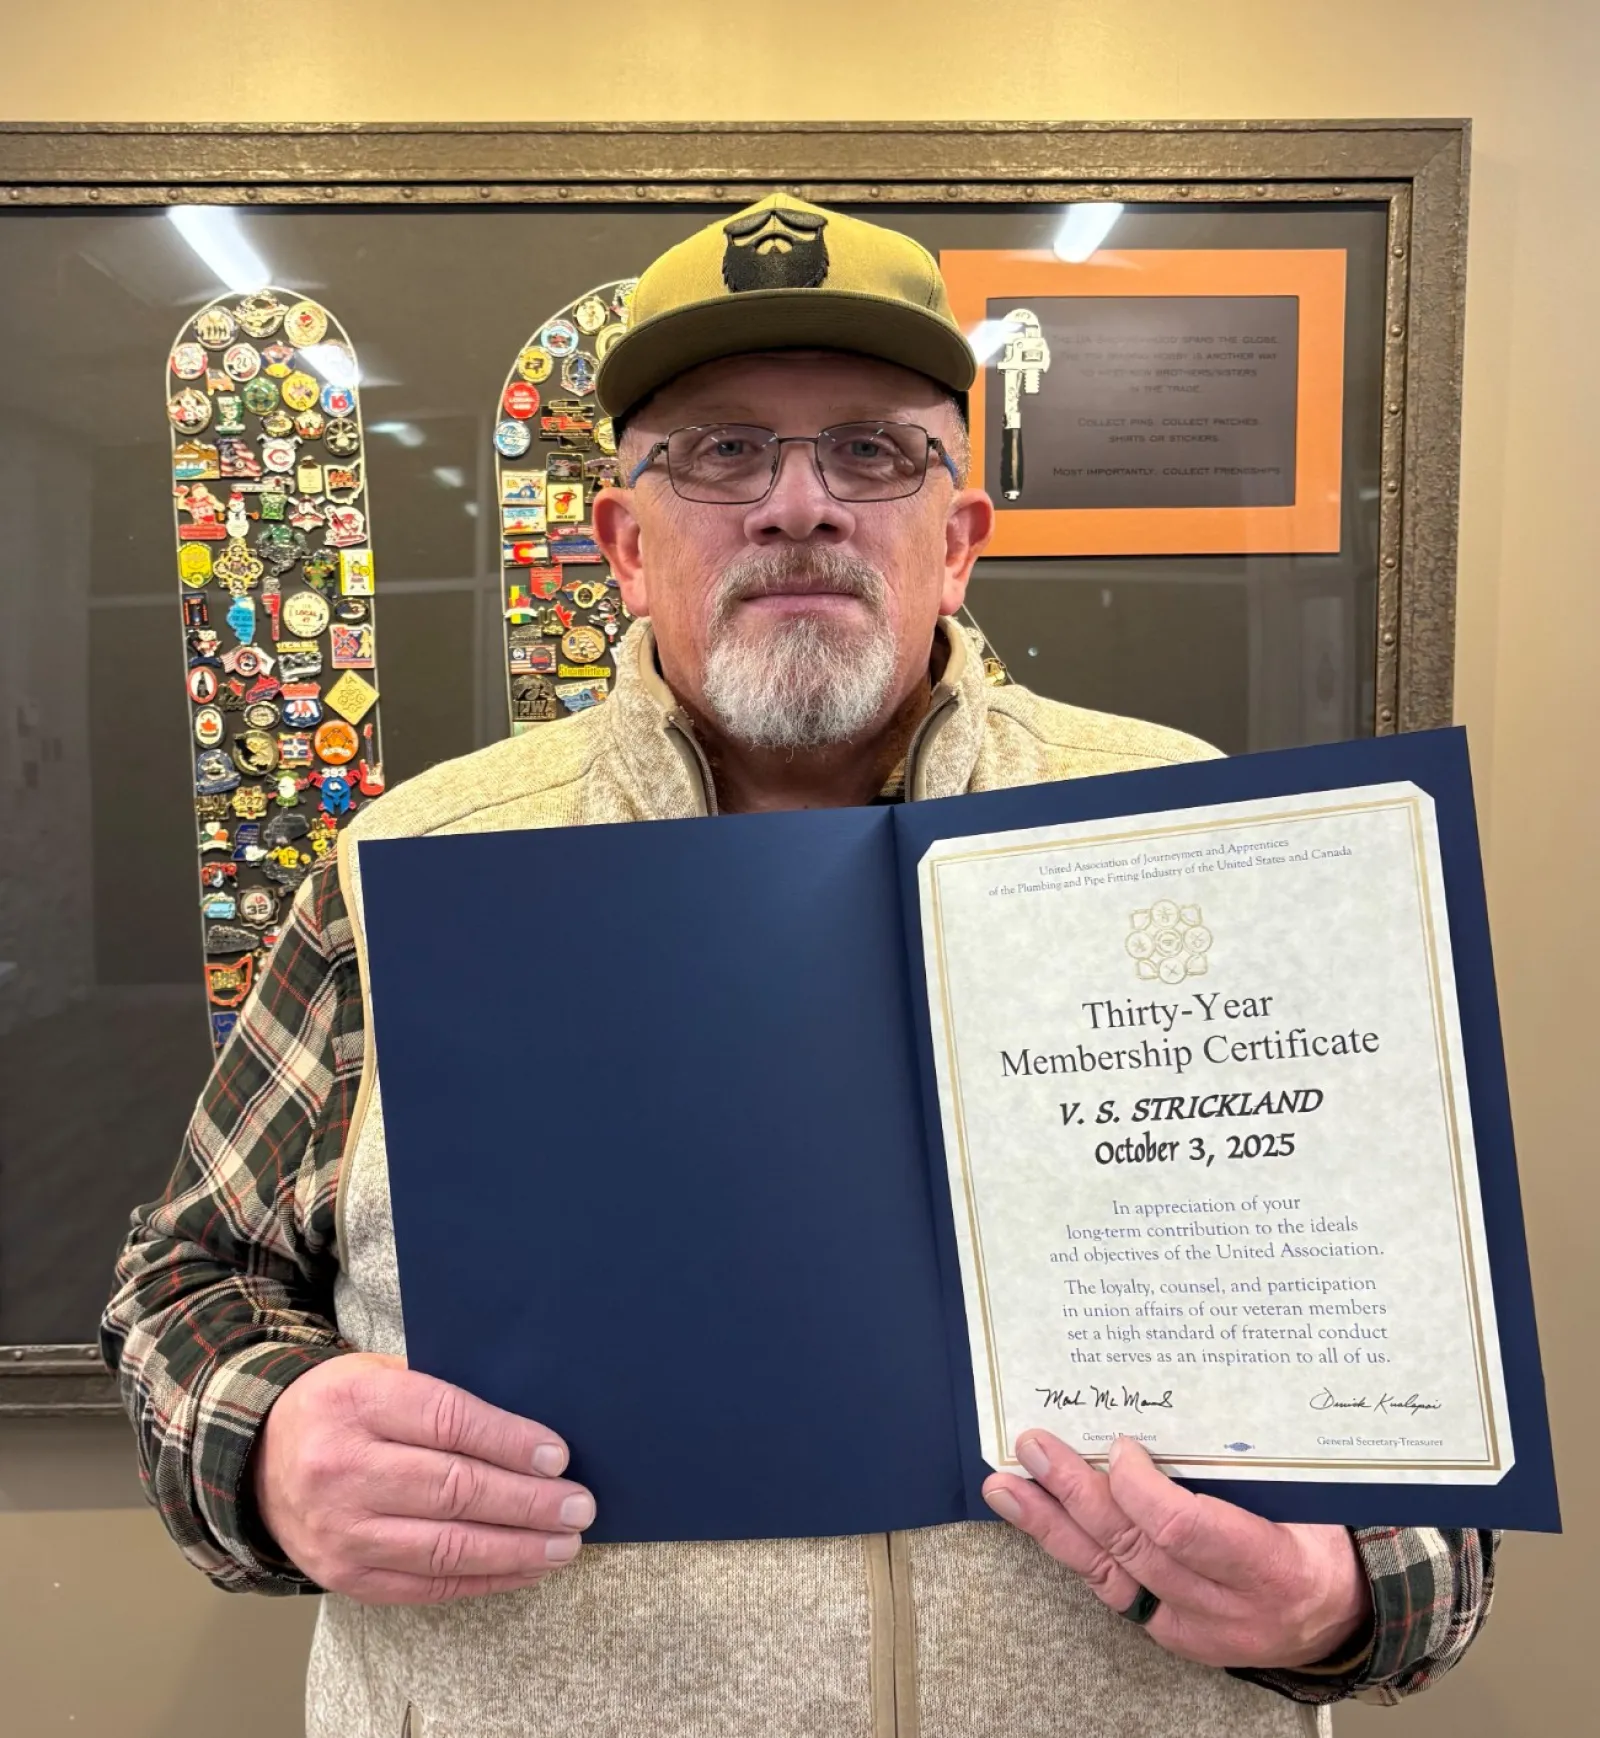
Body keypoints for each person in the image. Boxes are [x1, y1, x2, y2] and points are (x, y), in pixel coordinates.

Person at [105, 195, 1495, 1738]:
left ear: (956, 541)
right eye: (721, 451)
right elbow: (187, 1283)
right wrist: (272, 1445)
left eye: (873, 453)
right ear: (625, 545)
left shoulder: (1213, 848)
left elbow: (1427, 1399)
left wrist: (1350, 1588)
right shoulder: (408, 872)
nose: (798, 507)